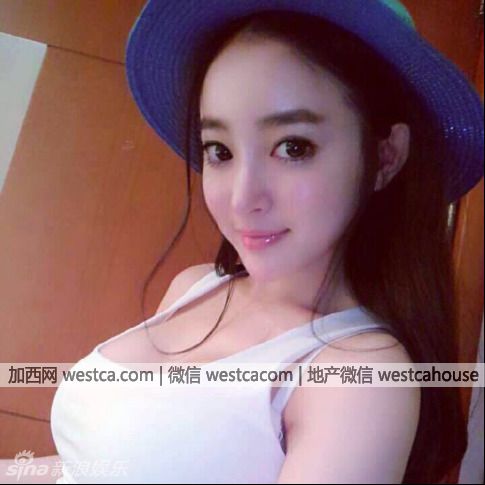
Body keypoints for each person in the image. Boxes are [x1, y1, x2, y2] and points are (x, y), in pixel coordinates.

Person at [43, 1, 485, 483]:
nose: (241, 198)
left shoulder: (360, 375)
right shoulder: (194, 287)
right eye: (220, 150)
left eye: (293, 147)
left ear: (385, 157)